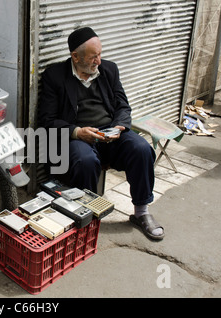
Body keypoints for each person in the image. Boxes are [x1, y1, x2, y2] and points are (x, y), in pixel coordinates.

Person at [37, 27, 164, 240]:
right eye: (93, 57)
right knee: (84, 159)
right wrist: (77, 132)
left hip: (110, 134)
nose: (98, 61)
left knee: (142, 149)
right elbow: (46, 121)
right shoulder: (55, 76)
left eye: (100, 54)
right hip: (78, 138)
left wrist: (119, 127)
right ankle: (86, 218)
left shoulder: (109, 70)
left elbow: (123, 106)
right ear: (75, 57)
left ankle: (141, 212)